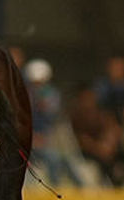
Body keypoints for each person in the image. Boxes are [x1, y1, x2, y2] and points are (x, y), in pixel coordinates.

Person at [23, 58, 84, 188]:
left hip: (49, 139)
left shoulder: (52, 95)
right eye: (35, 83)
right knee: (51, 159)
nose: (37, 86)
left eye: (40, 82)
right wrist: (32, 137)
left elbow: (52, 117)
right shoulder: (24, 95)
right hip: (29, 141)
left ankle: (77, 187)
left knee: (62, 159)